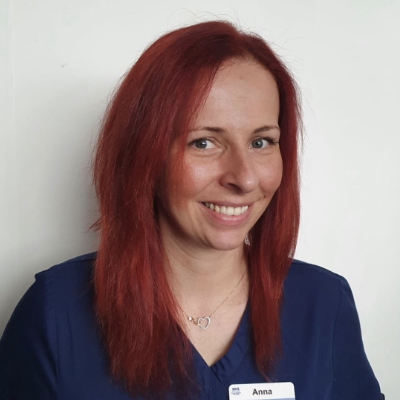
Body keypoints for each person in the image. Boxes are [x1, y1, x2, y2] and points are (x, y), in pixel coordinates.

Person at [0, 20, 383, 400]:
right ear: (144, 155)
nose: (244, 178)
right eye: (203, 143)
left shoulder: (324, 304)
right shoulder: (55, 313)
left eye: (261, 142)